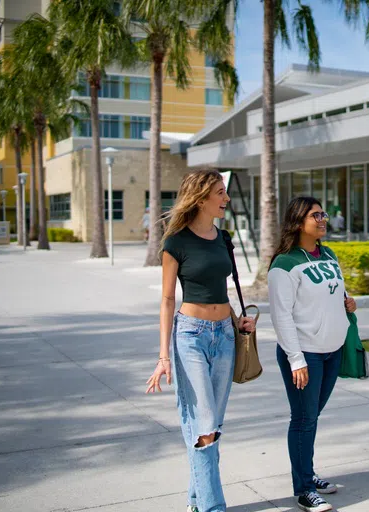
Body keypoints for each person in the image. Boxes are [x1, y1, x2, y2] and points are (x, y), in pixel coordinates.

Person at [146, 169, 256, 512]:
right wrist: (163, 356)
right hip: (190, 335)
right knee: (204, 424)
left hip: (224, 334)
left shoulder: (223, 237)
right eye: (221, 193)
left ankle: (196, 500)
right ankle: (212, 507)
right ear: (201, 197)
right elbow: (166, 300)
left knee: (212, 425)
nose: (226, 199)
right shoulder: (175, 241)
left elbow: (222, 289)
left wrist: (239, 322)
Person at [268, 197, 358, 512]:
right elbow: (281, 317)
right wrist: (296, 360)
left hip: (332, 352)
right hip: (305, 355)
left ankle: (308, 473)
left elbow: (334, 291)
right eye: (315, 214)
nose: (323, 219)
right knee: (304, 419)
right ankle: (304, 489)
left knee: (311, 418)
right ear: (298, 222)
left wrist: (348, 302)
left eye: (322, 214)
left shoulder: (328, 254)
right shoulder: (284, 264)